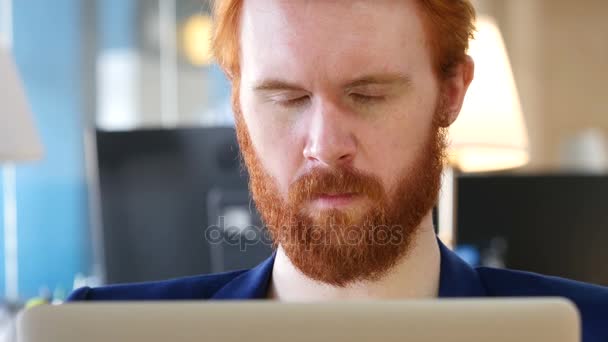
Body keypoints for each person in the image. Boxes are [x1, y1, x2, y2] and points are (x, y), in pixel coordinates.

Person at [69, 1, 608, 340]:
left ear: (451, 92)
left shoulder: (592, 327)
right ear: (238, 106)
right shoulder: (99, 331)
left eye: (368, 95)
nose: (325, 148)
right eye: (286, 97)